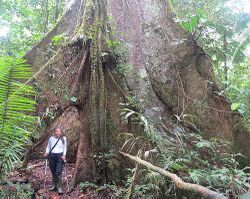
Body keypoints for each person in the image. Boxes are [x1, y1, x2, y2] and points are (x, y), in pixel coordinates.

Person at [44, 127, 67, 194]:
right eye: (56, 131)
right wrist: (46, 152)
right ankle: (54, 186)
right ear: (54, 132)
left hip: (60, 156)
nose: (58, 132)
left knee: (58, 171)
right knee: (53, 171)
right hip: (52, 156)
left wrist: (64, 155)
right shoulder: (51, 138)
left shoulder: (63, 138)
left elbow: (65, 148)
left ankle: (59, 187)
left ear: (61, 132)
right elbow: (48, 146)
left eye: (59, 131)